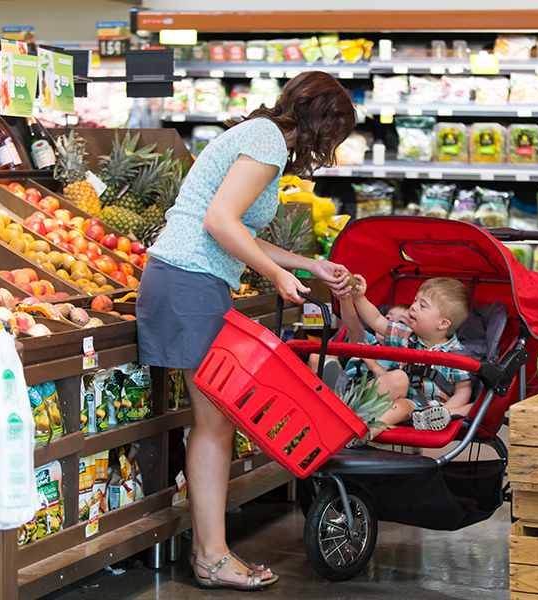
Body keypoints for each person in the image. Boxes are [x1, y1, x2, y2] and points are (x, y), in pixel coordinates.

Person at [136, 71, 355, 590]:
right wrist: (278, 275)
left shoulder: (261, 136)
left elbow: (235, 225)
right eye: (336, 137)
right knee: (213, 423)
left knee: (215, 421)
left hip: (192, 279)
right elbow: (219, 221)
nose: (330, 150)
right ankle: (211, 557)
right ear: (323, 125)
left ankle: (211, 552)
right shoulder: (266, 141)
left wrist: (305, 264)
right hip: (189, 279)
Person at [349, 276, 473, 433]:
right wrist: (359, 297)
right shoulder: (406, 336)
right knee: (398, 378)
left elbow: (463, 390)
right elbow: (376, 320)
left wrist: (446, 411)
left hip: (428, 409)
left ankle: (363, 433)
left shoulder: (457, 354)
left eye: (422, 306)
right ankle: (352, 411)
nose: (413, 307)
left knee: (400, 407)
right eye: (415, 300)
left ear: (442, 324)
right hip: (402, 394)